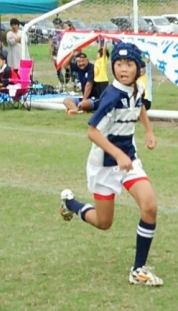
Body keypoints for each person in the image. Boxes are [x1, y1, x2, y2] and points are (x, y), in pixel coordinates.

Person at [59, 42, 163, 286]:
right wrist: (117, 154)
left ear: (138, 68)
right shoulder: (112, 96)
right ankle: (70, 203)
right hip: (104, 165)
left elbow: (139, 106)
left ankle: (138, 270)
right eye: (118, 64)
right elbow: (93, 133)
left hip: (129, 160)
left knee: (149, 206)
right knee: (104, 223)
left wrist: (149, 131)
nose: (123, 69)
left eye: (129, 64)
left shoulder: (137, 87)